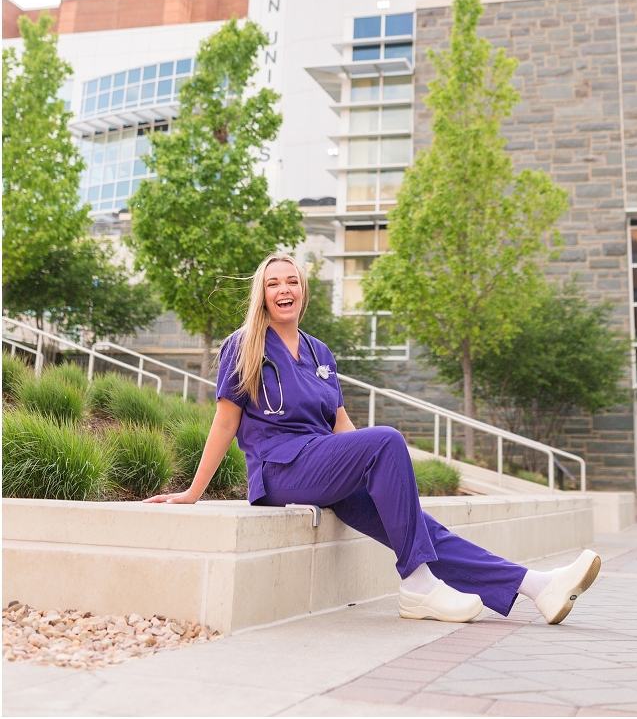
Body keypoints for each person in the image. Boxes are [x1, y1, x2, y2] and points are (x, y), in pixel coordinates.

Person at [145, 253, 601, 625]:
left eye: (292, 281)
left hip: (323, 466)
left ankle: (538, 587)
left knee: (417, 525)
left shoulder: (320, 351)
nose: (284, 289)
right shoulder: (244, 344)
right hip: (281, 470)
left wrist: (382, 476)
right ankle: (417, 584)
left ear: (304, 291)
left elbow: (341, 425)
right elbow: (225, 422)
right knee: (386, 440)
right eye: (273, 283)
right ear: (262, 295)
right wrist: (193, 492)